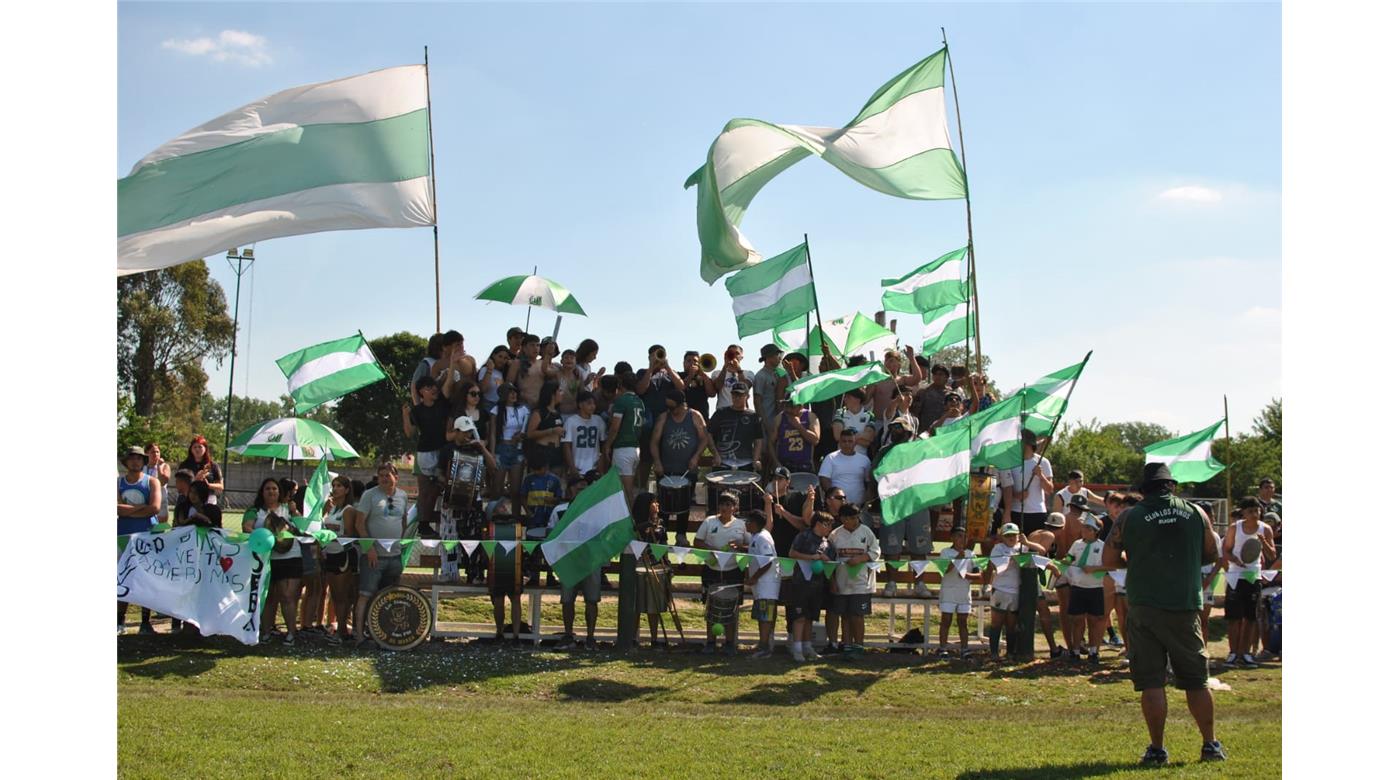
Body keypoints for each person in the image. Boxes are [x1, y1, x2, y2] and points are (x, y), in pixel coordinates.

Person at [1103, 462, 1226, 765]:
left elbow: (1108, 557)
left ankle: (1157, 749)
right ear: (1172, 486)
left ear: (1144, 490)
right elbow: (1213, 553)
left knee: (1152, 681)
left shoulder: (1130, 517)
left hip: (1144, 605)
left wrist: (1138, 562)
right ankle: (1210, 745)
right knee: (1197, 679)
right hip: (1184, 605)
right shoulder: (1197, 513)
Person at [351, 463, 413, 647]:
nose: (384, 478)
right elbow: (359, 524)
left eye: (388, 475)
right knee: (365, 595)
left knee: (389, 598)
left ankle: (384, 635)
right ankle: (359, 637)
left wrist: (401, 545)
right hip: (373, 557)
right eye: (381, 475)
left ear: (396, 477)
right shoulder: (369, 495)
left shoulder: (402, 495)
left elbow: (403, 522)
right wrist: (369, 548)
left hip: (394, 556)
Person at [983, 523, 1054, 662]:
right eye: (1008, 535)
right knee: (997, 622)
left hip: (1016, 590)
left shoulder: (1023, 547)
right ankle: (994, 653)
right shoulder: (998, 548)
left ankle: (1010, 652)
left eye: (1014, 535)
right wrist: (987, 585)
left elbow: (1041, 551)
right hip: (1001, 589)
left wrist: (1027, 542)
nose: (1011, 538)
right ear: (1002, 537)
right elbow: (992, 566)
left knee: (1011, 623)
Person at [650, 388, 712, 547]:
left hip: (687, 469)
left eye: (673, 407)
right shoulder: (664, 417)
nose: (670, 411)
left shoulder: (695, 416)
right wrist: (657, 461)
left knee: (685, 505)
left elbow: (704, 438)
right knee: (663, 505)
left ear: (682, 405)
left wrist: (696, 456)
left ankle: (681, 535)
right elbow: (654, 442)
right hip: (667, 469)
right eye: (668, 407)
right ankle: (662, 535)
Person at [242, 477, 299, 644]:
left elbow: (302, 526)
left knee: (288, 596)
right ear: (262, 492)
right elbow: (247, 527)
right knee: (268, 597)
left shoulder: (288, 508)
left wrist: (295, 512)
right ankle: (266, 631)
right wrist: (264, 535)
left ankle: (291, 633)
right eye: (268, 488)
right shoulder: (255, 510)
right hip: (265, 558)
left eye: (274, 488)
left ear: (279, 491)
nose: (271, 491)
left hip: (290, 555)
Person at [1221, 496, 1276, 668]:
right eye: (1250, 511)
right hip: (1235, 576)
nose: (1254, 514)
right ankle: (1233, 652)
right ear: (1243, 512)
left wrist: (1264, 542)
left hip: (1254, 576)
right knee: (1234, 618)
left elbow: (1272, 555)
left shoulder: (1265, 529)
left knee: (1250, 617)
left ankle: (1245, 653)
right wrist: (1235, 560)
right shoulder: (1234, 528)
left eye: (1257, 510)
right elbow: (1226, 551)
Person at [694, 491, 750, 655]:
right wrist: (711, 550)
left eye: (728, 504)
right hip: (711, 569)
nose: (725, 507)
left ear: (735, 507)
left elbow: (749, 546)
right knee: (711, 606)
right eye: (722, 504)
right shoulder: (709, 521)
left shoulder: (741, 524)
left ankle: (730, 643)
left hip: (733, 571)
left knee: (732, 607)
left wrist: (740, 546)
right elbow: (697, 541)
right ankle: (710, 642)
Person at [118, 446, 163, 635]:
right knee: (121, 576)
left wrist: (129, 509)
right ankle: (119, 621)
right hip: (122, 535)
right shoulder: (117, 482)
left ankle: (145, 622)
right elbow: (116, 509)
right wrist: (140, 508)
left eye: (139, 458)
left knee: (146, 578)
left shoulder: (152, 482)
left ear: (143, 462)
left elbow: (154, 508)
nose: (135, 461)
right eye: (132, 458)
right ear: (126, 462)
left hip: (147, 535)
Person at [554, 476, 601, 648]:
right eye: (577, 488)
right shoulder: (559, 510)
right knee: (567, 601)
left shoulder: (596, 512)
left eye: (583, 489)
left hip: (590, 562)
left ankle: (590, 637)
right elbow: (552, 535)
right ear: (570, 490)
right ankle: (568, 635)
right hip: (568, 562)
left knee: (592, 600)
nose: (580, 492)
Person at [828, 503, 881, 655]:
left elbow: (875, 551)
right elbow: (830, 558)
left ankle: (858, 646)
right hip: (841, 580)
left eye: (850, 518)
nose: (847, 521)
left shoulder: (866, 532)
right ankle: (847, 645)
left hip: (862, 581)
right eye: (843, 518)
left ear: (856, 517)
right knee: (844, 615)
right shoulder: (835, 534)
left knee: (857, 615)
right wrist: (832, 581)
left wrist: (861, 558)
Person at [403, 375, 452, 538]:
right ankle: (423, 525)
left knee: (437, 488)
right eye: (429, 388)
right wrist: (405, 415)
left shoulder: (441, 404)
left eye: (434, 387)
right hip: (424, 453)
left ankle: (430, 523)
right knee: (425, 491)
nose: (433, 390)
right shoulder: (417, 411)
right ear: (421, 392)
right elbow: (409, 433)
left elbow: (448, 382)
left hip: (442, 451)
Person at [785, 510, 835, 661]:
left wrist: (826, 559)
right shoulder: (804, 536)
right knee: (799, 617)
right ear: (818, 524)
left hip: (817, 584)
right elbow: (792, 553)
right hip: (800, 583)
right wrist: (811, 557)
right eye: (828, 525)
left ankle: (808, 647)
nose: (830, 528)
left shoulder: (827, 543)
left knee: (809, 618)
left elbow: (831, 562)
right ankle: (797, 649)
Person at [1065, 514, 1110, 663]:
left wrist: (1094, 569)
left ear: (1094, 531)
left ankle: (1093, 651)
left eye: (1086, 528)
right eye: (1083, 527)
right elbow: (1070, 558)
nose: (1083, 530)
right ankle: (1076, 650)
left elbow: (1110, 566)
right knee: (1077, 620)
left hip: (1095, 587)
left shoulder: (1102, 546)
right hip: (1078, 587)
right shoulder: (1077, 544)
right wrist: (1065, 561)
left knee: (1094, 621)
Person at [632, 491, 673, 649]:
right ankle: (633, 637)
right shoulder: (634, 523)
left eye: (657, 502)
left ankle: (654, 639)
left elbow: (663, 546)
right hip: (638, 566)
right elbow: (633, 539)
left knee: (653, 606)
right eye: (653, 502)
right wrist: (643, 529)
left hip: (656, 567)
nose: (657, 505)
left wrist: (667, 565)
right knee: (636, 605)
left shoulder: (661, 523)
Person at [320, 475, 358, 643]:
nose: (335, 489)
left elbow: (349, 534)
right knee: (334, 595)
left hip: (343, 555)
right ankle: (339, 629)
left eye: (339, 486)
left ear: (347, 489)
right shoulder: (332, 509)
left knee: (342, 595)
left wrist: (333, 536)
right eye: (334, 485)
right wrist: (324, 511)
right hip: (329, 555)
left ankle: (342, 631)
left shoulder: (348, 510)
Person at [602, 367, 647, 502]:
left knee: (625, 490)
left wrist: (607, 445)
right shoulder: (640, 401)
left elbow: (615, 427)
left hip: (623, 448)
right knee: (628, 487)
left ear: (621, 384)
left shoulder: (621, 401)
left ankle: (631, 520)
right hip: (635, 448)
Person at [935, 528, 980, 658]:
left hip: (964, 593)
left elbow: (978, 574)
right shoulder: (945, 552)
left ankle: (964, 649)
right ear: (952, 538)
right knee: (946, 620)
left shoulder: (971, 554)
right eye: (959, 536)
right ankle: (943, 648)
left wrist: (967, 575)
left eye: (964, 537)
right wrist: (957, 558)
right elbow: (944, 571)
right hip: (948, 591)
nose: (962, 540)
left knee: (963, 622)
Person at [999, 429, 1054, 535]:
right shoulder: (1010, 462)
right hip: (1016, 512)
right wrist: (1016, 495)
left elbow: (1049, 490)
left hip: (1037, 512)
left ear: (1027, 443)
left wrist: (1041, 475)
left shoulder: (1043, 462)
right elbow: (1006, 488)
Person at [520, 453, 563, 587]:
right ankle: (534, 576)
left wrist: (553, 500)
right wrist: (528, 511)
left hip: (549, 518)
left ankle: (551, 575)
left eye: (540, 469)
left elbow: (559, 498)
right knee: (533, 548)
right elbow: (522, 496)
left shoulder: (554, 480)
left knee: (550, 547)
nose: (538, 472)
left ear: (546, 467)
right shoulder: (528, 480)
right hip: (534, 519)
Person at [745, 502, 781, 658]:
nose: (745, 524)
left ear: (754, 523)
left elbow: (768, 562)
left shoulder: (762, 538)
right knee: (763, 615)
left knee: (766, 615)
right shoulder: (755, 537)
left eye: (748, 521)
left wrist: (753, 578)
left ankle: (765, 647)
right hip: (761, 585)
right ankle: (765, 643)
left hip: (767, 584)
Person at [485, 499, 524, 641]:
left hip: (514, 566)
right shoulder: (489, 527)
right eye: (500, 507)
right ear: (493, 512)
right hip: (496, 567)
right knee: (499, 600)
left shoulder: (515, 525)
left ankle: (516, 634)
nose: (504, 508)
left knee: (516, 599)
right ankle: (499, 632)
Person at [708, 382, 766, 472]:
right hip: (722, 463)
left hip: (746, 464)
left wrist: (756, 460)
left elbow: (758, 440)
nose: (736, 398)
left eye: (740, 395)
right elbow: (708, 434)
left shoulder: (753, 416)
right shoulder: (720, 413)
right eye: (734, 395)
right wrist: (715, 454)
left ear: (747, 396)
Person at [492, 383, 530, 511]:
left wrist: (521, 435)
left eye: (515, 392)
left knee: (515, 489)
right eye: (510, 392)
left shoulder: (523, 410)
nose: (514, 394)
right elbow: (492, 433)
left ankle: (516, 518)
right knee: (497, 488)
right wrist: (492, 454)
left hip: (517, 449)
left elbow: (527, 430)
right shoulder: (496, 410)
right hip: (501, 448)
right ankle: (495, 516)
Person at [525, 381, 568, 481]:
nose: (562, 394)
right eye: (559, 391)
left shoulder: (557, 413)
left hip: (557, 452)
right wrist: (551, 430)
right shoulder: (539, 412)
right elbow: (530, 434)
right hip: (543, 451)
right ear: (552, 394)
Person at [819, 428, 872, 507]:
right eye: (844, 441)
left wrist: (867, 502)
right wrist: (833, 498)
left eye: (850, 441)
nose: (847, 444)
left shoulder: (864, 460)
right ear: (839, 442)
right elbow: (824, 478)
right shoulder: (830, 458)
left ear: (855, 443)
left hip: (858, 505)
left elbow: (869, 483)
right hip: (837, 506)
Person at [563, 391, 609, 480]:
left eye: (594, 404)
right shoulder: (571, 421)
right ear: (580, 405)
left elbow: (604, 444)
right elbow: (566, 446)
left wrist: (601, 463)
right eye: (589, 403)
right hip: (577, 467)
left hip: (594, 466)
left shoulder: (598, 420)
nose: (593, 406)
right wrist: (571, 467)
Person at [771, 394, 820, 474]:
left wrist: (799, 426)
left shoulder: (810, 417)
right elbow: (771, 443)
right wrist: (776, 462)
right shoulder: (779, 418)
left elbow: (815, 440)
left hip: (805, 465)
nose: (788, 409)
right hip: (785, 465)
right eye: (786, 406)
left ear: (800, 406)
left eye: (792, 406)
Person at [831, 388, 878, 455]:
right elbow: (838, 436)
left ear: (858, 399)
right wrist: (861, 437)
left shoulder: (869, 415)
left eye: (848, 397)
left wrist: (847, 436)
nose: (844, 399)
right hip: (842, 456)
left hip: (862, 458)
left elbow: (869, 439)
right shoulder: (840, 413)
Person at [710, 344, 754, 413]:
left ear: (742, 357)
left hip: (741, 411)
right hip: (722, 412)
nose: (734, 355)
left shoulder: (748, 373)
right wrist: (725, 367)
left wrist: (738, 370)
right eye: (731, 353)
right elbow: (717, 387)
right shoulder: (717, 373)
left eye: (737, 353)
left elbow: (746, 387)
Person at [751, 343, 785, 431]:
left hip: (777, 421)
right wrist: (764, 423)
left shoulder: (777, 374)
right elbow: (757, 401)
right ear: (769, 357)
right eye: (777, 355)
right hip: (767, 422)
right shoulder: (760, 376)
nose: (780, 358)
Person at [681, 350, 716, 422]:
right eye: (689, 361)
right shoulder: (679, 376)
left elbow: (712, 394)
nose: (692, 363)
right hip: (683, 418)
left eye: (695, 361)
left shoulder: (705, 378)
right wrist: (691, 375)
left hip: (702, 418)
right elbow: (681, 388)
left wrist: (703, 374)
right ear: (684, 363)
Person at [142, 442, 173, 521]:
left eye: (157, 451)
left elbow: (162, 482)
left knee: (159, 530)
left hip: (160, 504)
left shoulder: (165, 466)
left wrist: (159, 466)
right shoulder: (142, 468)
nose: (155, 454)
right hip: (145, 503)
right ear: (147, 454)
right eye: (152, 452)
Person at [477, 344, 511, 409]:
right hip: (486, 404)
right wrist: (490, 370)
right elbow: (483, 389)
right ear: (494, 355)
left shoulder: (504, 373)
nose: (502, 360)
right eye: (500, 356)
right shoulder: (485, 370)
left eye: (505, 358)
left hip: (499, 406)